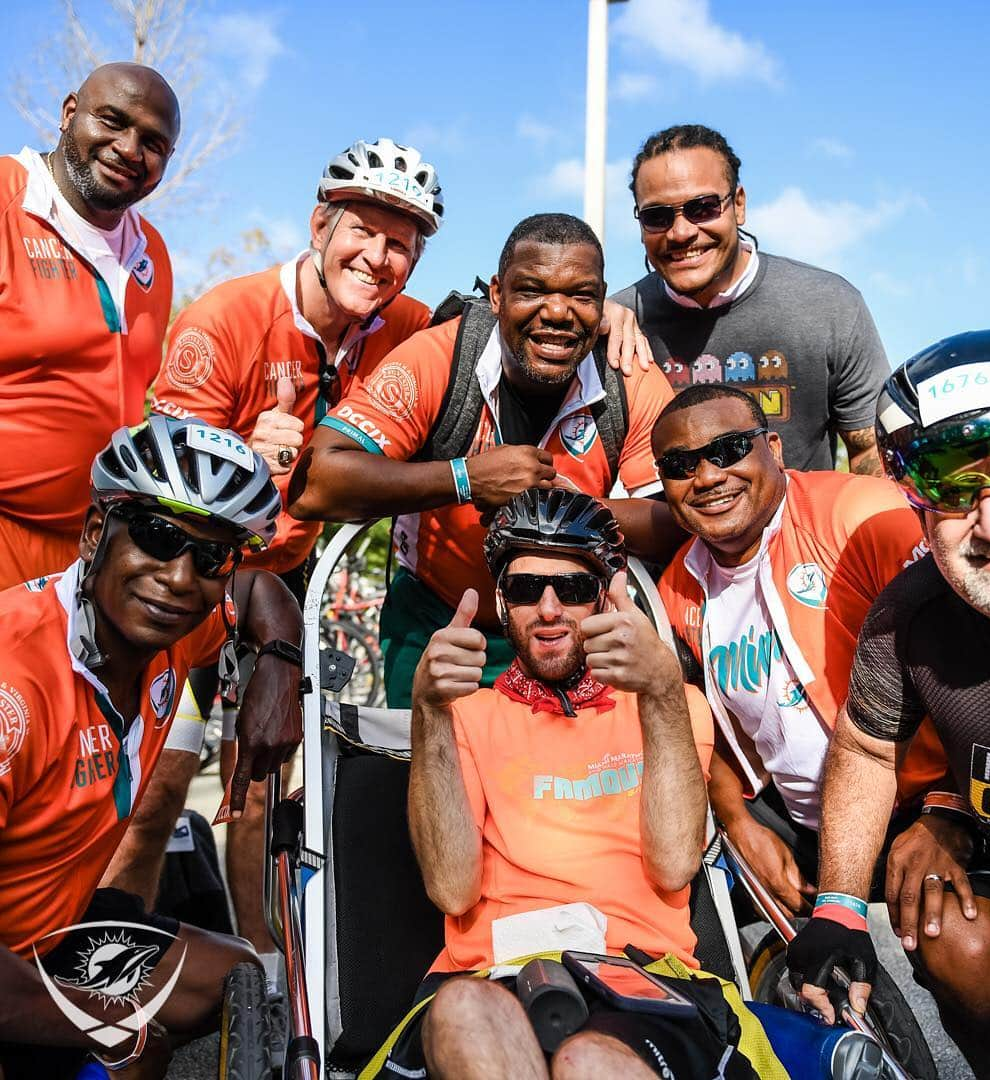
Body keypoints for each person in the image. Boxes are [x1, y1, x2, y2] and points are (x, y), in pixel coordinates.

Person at [115, 138, 440, 955]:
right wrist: (239, 460)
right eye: (362, 230)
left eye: (400, 243)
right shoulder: (226, 317)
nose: (378, 256)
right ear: (319, 225)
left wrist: (612, 308)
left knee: (260, 778)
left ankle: (257, 958)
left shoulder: (404, 324)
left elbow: (490, 327)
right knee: (156, 780)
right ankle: (111, 945)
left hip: (283, 580)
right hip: (188, 571)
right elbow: (164, 482)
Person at [653, 382, 990, 1061]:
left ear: (772, 448)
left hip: (925, 800)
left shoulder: (860, 513)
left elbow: (986, 659)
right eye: (681, 465)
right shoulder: (679, 582)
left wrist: (949, 809)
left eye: (728, 449)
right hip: (798, 816)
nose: (706, 475)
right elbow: (692, 716)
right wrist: (737, 817)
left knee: (972, 954)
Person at [375, 488, 777, 1080]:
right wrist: (429, 712)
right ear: (499, 601)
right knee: (462, 1008)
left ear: (606, 598)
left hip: (640, 974)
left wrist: (662, 687)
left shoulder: (671, 702)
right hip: (490, 973)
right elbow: (452, 890)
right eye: (523, 589)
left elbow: (672, 865)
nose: (548, 609)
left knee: (587, 1061)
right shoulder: (465, 715)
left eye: (573, 589)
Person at [787, 329, 990, 1080]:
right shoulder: (908, 613)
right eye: (950, 488)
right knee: (955, 935)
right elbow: (867, 746)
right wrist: (840, 905)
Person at [0, 417, 303, 1079]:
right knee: (134, 1049)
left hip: (52, 936)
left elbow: (259, 591)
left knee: (238, 978)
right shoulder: (13, 684)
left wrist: (279, 669)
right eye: (157, 537)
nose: (177, 577)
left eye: (209, 557)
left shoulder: (167, 629)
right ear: (92, 536)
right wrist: (109, 1025)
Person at [290, 213, 680, 706]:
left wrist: (568, 512)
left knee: (566, 784)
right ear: (497, 295)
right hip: (442, 622)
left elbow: (681, 517)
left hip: (576, 630)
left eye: (581, 295)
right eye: (532, 290)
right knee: (426, 780)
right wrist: (466, 478)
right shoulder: (440, 356)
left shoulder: (627, 372)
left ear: (604, 302)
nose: (557, 312)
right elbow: (314, 483)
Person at [612, 123, 888, 475]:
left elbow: (870, 450)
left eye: (702, 207)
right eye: (657, 216)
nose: (680, 232)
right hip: (669, 530)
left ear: (738, 205)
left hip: (800, 528)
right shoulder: (619, 324)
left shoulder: (829, 306)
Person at [0, 62, 180, 589]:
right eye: (112, 120)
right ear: (69, 113)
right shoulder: (7, 199)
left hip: (86, 549)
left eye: (153, 142)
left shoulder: (154, 253)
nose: (129, 149)